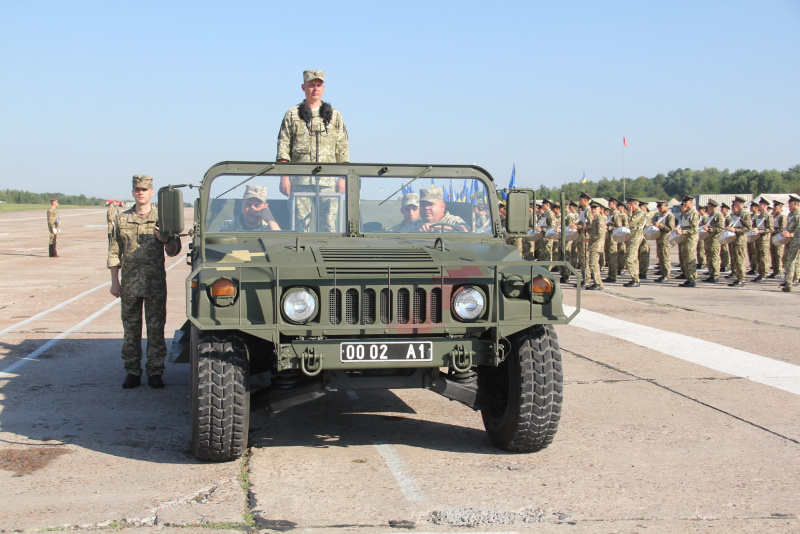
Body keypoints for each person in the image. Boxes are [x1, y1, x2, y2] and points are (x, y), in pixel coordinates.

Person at [108, 175, 182, 389]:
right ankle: (132, 371)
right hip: (129, 285)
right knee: (131, 330)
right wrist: (115, 282)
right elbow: (114, 252)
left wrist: (165, 240)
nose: (141, 192)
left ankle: (155, 372)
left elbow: (174, 250)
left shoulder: (162, 219)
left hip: (154, 285)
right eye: (137, 189)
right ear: (133, 192)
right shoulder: (122, 219)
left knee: (156, 329)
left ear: (152, 192)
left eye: (145, 189)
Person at [276, 70, 349, 232]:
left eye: (318, 85)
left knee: (330, 228)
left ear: (323, 88)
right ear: (303, 87)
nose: (315, 89)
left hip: (328, 183)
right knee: (300, 228)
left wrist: (343, 177)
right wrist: (284, 177)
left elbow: (342, 147)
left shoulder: (334, 115)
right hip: (300, 181)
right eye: (311, 85)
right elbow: (284, 146)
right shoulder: (292, 114)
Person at [726, 196, 753, 287]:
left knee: (740, 259)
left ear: (740, 204)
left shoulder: (745, 214)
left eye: (736, 203)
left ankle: (741, 279)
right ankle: (738, 277)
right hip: (733, 239)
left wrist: (735, 230)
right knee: (735, 259)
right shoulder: (735, 214)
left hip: (740, 240)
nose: (734, 205)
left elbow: (748, 228)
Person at [674, 195, 700, 287]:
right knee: (685, 258)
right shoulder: (685, 213)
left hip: (690, 239)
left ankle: (692, 279)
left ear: (691, 202)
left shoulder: (694, 213)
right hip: (684, 238)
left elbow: (694, 229)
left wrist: (682, 232)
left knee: (690, 258)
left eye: (686, 202)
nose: (684, 204)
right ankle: (688, 277)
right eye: (683, 202)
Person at [623, 197, 646, 287]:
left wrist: (629, 212)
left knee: (629, 259)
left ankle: (635, 279)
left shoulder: (640, 213)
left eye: (628, 205)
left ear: (632, 204)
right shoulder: (635, 213)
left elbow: (631, 222)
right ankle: (635, 279)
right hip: (632, 237)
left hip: (636, 237)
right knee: (634, 259)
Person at [652, 200, 675, 283]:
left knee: (665, 258)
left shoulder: (670, 216)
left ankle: (666, 275)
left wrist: (660, 226)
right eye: (658, 208)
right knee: (660, 257)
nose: (659, 209)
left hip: (666, 239)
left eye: (661, 207)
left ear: (665, 206)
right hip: (660, 239)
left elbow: (670, 228)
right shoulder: (660, 216)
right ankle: (662, 273)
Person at [751, 198, 773, 282]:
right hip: (758, 239)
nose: (758, 206)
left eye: (760, 204)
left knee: (764, 257)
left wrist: (759, 231)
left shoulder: (769, 216)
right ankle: (760, 273)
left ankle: (764, 274)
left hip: (764, 240)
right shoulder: (758, 216)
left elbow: (770, 229)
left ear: (765, 205)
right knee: (758, 257)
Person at [781, 194, 800, 292]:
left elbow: (791, 228)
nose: (788, 205)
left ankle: (788, 283)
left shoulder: (797, 215)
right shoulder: (792, 214)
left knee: (791, 261)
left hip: (797, 241)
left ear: (796, 203)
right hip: (795, 239)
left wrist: (788, 233)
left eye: (790, 203)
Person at [702, 199, 724, 283]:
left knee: (714, 257)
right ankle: (711, 274)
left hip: (715, 240)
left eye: (708, 206)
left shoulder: (718, 215)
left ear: (711, 206)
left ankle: (715, 275)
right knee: (709, 257)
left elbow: (720, 228)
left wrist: (709, 229)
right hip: (709, 239)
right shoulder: (710, 216)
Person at [586, 201, 607, 290]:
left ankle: (598, 283)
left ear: (600, 210)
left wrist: (589, 239)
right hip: (593, 244)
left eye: (595, 209)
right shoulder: (595, 219)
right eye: (592, 209)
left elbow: (600, 234)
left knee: (593, 264)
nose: (593, 210)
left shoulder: (600, 219)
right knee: (593, 264)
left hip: (596, 245)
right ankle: (597, 282)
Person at [769, 200, 786, 278]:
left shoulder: (782, 216)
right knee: (773, 254)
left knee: (778, 255)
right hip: (773, 238)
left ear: (780, 207)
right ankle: (775, 270)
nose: (774, 208)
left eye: (775, 207)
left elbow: (782, 228)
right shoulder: (773, 216)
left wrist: (774, 231)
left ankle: (778, 271)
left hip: (779, 238)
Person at [638, 200, 651, 280]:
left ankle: (644, 272)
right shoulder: (642, 216)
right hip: (640, 237)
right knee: (640, 255)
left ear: (645, 207)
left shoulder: (647, 216)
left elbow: (647, 227)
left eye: (641, 207)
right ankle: (641, 271)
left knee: (644, 256)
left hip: (645, 237)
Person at [720, 203, 731, 274]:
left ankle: (726, 265)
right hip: (722, 235)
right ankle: (723, 263)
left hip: (726, 235)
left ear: (726, 209)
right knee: (722, 251)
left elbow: (729, 226)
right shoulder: (722, 217)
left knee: (725, 250)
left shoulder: (728, 217)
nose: (721, 210)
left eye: (722, 209)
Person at [696, 205, 707, 269]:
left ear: (703, 210)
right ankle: (700, 261)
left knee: (701, 249)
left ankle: (703, 262)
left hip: (702, 235)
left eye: (700, 210)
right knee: (699, 249)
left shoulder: (705, 218)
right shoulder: (700, 217)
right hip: (699, 234)